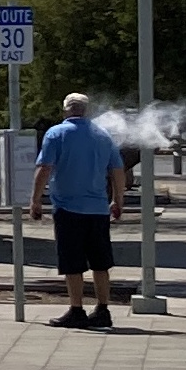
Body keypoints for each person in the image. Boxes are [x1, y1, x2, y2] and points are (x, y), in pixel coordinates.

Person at [30, 91, 127, 329]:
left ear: (65, 110)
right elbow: (117, 169)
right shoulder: (102, 135)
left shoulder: (56, 133)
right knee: (100, 262)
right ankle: (103, 309)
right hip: (97, 209)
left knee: (72, 262)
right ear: (87, 111)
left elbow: (45, 167)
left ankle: (76, 309)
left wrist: (35, 200)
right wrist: (117, 200)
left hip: (67, 207)